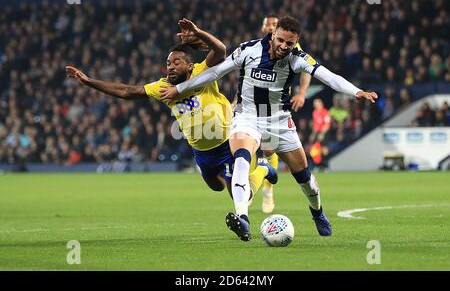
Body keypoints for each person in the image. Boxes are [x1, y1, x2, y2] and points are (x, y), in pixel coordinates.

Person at [161, 16, 378, 241]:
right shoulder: (248, 50)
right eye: (281, 40)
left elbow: (328, 76)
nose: (284, 46)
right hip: (247, 117)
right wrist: (181, 89)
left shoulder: (298, 59)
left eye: (290, 43)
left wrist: (356, 92)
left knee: (305, 179)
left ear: (297, 42)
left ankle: (318, 212)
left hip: (279, 122)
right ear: (273, 35)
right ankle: (243, 219)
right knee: (241, 161)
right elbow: (215, 72)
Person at [65, 18, 276, 201]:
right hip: (200, 152)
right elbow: (125, 91)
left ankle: (264, 169)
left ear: (190, 66)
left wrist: (198, 32)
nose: (171, 66)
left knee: (241, 195)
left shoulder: (203, 71)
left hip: (224, 143)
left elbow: (220, 50)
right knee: (216, 186)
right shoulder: (162, 87)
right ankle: (236, 175)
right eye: (168, 63)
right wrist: (88, 81)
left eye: (177, 62)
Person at [233, 14, 314, 214]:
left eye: (273, 25)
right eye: (267, 25)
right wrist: (236, 102)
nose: (270, 27)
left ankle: (268, 189)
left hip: (274, 110)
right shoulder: (254, 49)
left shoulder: (291, 48)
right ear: (264, 29)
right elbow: (247, 80)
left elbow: (308, 69)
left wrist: (302, 93)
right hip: (251, 109)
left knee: (268, 151)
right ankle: (249, 188)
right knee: (244, 151)